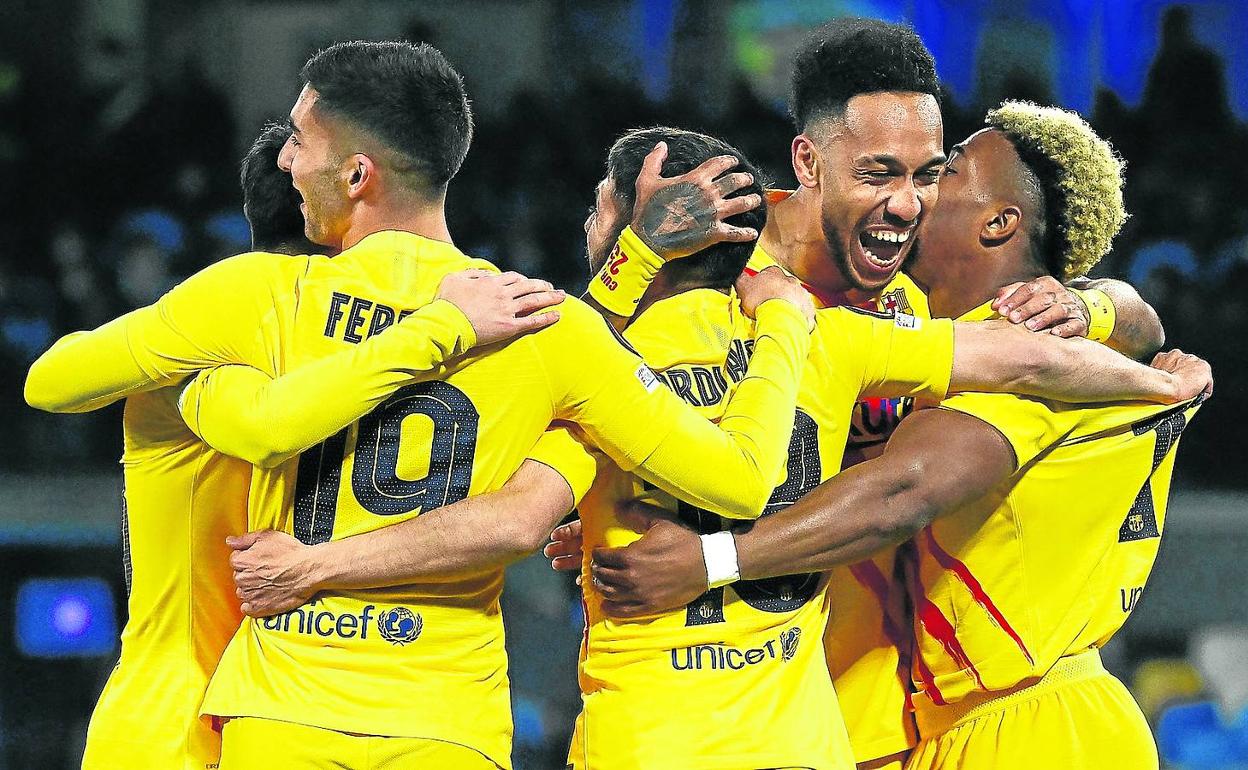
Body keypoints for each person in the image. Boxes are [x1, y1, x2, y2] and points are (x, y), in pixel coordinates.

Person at [220, 125, 1207, 770]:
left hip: (995, 725)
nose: (906, 192)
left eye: (936, 173)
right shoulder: (849, 336)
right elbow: (1058, 352)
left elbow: (904, 483)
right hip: (841, 737)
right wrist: (1160, 378)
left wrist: (702, 546)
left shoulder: (601, 367)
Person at [29, 40, 820, 770]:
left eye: (299, 140)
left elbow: (53, 382)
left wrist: (210, 391)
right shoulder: (543, 324)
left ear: (357, 174)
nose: (284, 159)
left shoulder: (257, 297)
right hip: (448, 720)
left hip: (281, 710)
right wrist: (781, 323)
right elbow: (743, 479)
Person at [569, 18, 1167, 770]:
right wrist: (601, 498)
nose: (911, 204)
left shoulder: (913, 294)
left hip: (879, 721)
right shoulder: (718, 271)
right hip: (709, 716)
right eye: (880, 174)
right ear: (809, 162)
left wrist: (1114, 316)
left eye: (929, 174)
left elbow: (1080, 327)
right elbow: (579, 382)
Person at [62, 121, 550, 769]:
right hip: (222, 718)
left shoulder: (199, 358)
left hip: (202, 714)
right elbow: (271, 428)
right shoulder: (258, 357)